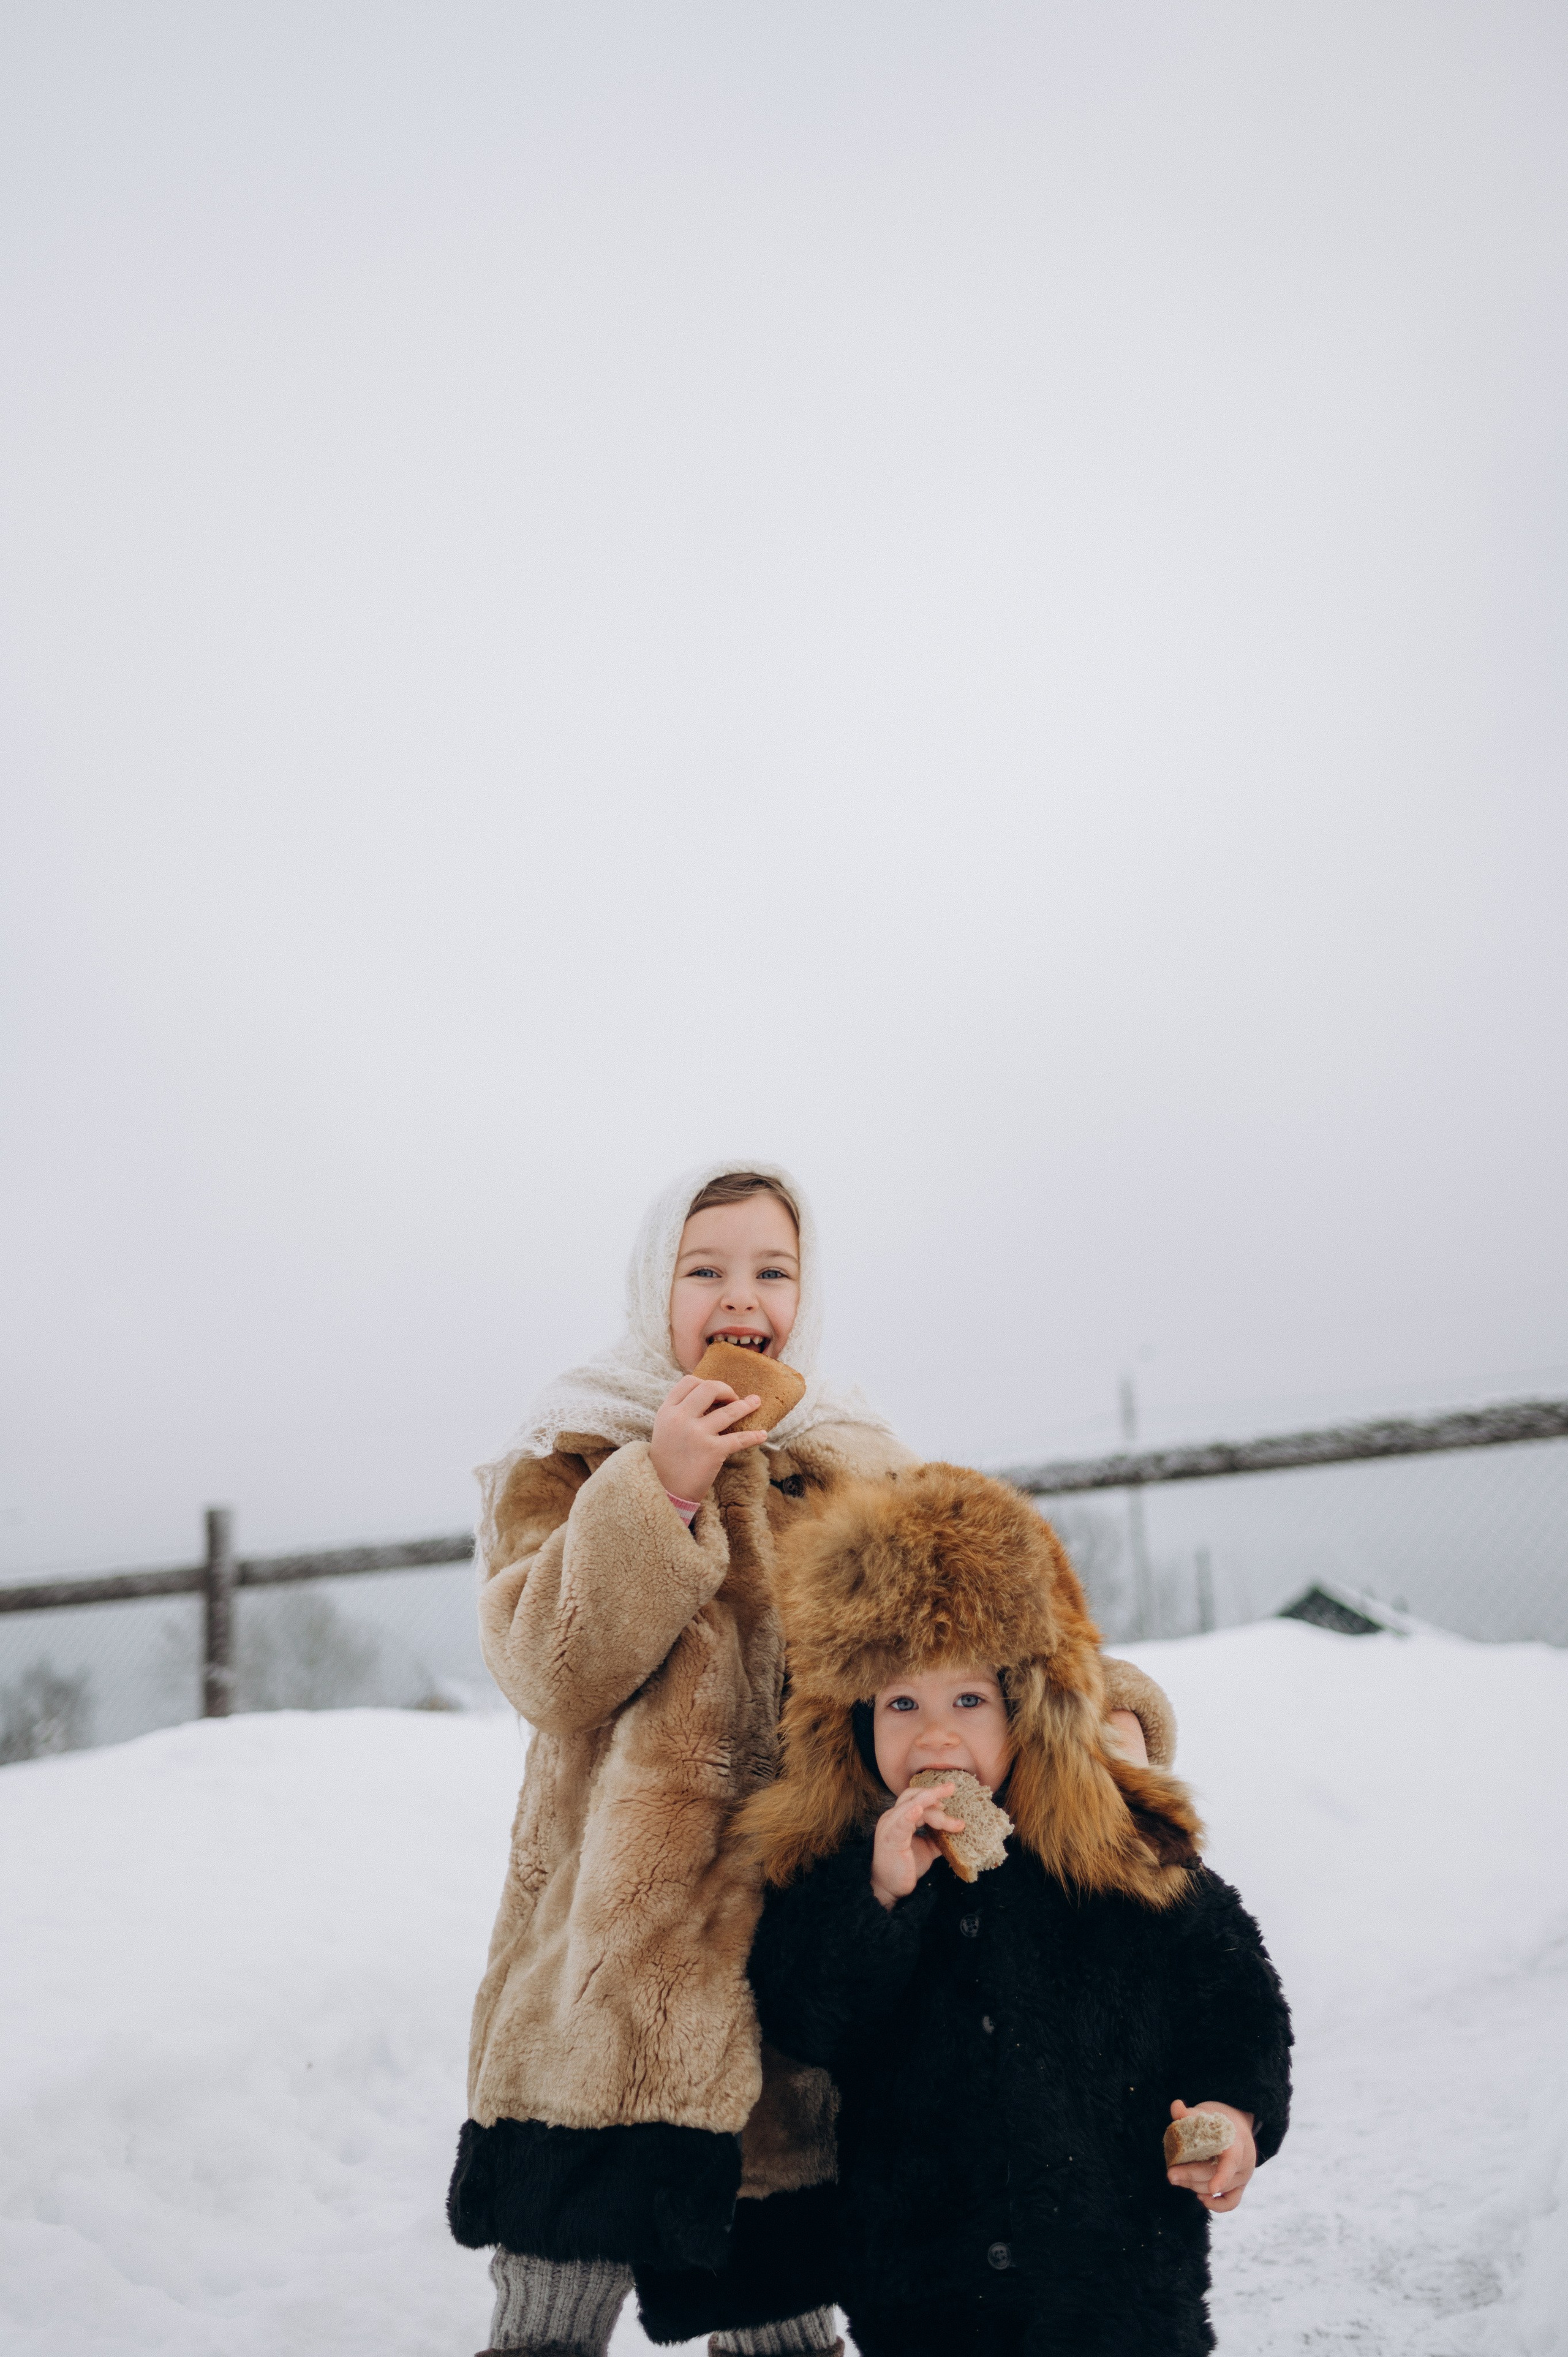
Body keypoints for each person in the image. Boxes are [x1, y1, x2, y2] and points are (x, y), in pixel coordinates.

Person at [448, 1161, 1178, 2357]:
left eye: (770, 1270)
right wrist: (659, 1489)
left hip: (791, 1942)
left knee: (779, 2274)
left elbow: (980, 1634)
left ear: (804, 1292)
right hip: (603, 1962)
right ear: (655, 1290)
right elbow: (548, 1668)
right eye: (705, 1269)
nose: (740, 1296)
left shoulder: (852, 1470)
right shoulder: (578, 1450)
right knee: (554, 2274)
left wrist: (1100, 1713)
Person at [739, 1459, 1293, 2357]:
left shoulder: (1116, 1855)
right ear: (853, 1725)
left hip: (1117, 2282)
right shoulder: (851, 1871)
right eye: (900, 1703)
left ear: (1028, 1708)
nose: (935, 1732)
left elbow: (1234, 1999)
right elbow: (807, 2016)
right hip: (924, 2290)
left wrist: (1235, 2114)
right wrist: (877, 1895)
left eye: (969, 1699)